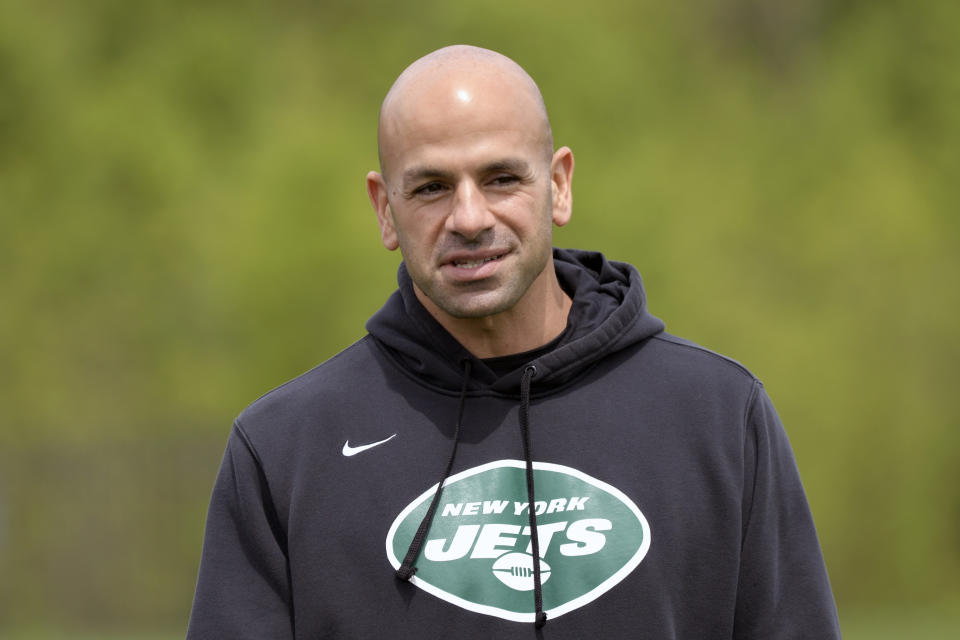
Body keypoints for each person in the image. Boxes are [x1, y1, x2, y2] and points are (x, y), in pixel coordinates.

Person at [187, 45, 840, 638]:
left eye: (501, 178)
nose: (469, 218)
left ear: (558, 185)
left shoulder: (719, 418)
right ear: (385, 209)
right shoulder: (283, 450)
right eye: (432, 187)